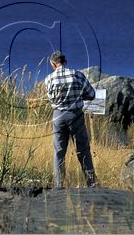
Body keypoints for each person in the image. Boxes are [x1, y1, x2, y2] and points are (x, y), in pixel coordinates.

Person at [44, 51, 98, 188]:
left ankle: (59, 185)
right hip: (76, 115)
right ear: (65, 62)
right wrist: (79, 98)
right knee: (83, 150)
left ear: (53, 64)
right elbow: (92, 94)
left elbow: (51, 99)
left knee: (59, 152)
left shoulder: (49, 79)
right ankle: (91, 183)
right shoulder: (77, 75)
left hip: (58, 116)